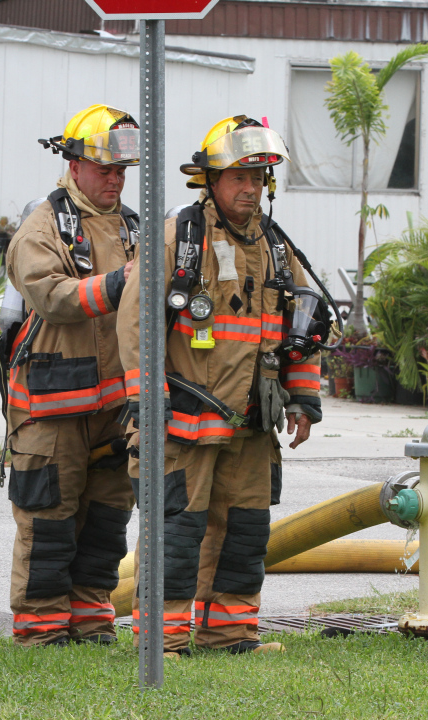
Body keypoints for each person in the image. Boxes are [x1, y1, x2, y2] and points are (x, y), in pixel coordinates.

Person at [117, 115, 326, 656]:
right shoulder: (179, 239)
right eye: (238, 177)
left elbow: (302, 328)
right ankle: (162, 643)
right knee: (178, 535)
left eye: (258, 178)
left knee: (246, 532)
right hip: (185, 421)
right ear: (210, 180)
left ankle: (229, 635)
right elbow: (136, 320)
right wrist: (145, 398)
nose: (250, 189)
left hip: (253, 426)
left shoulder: (278, 250)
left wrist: (303, 399)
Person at [2, 104, 141, 647]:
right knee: (50, 524)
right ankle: (40, 632)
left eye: (122, 171)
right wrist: (120, 283)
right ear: (74, 165)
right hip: (51, 406)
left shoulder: (132, 226)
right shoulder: (41, 228)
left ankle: (91, 624)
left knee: (107, 523)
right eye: (105, 169)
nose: (115, 180)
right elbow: (53, 295)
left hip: (112, 409)